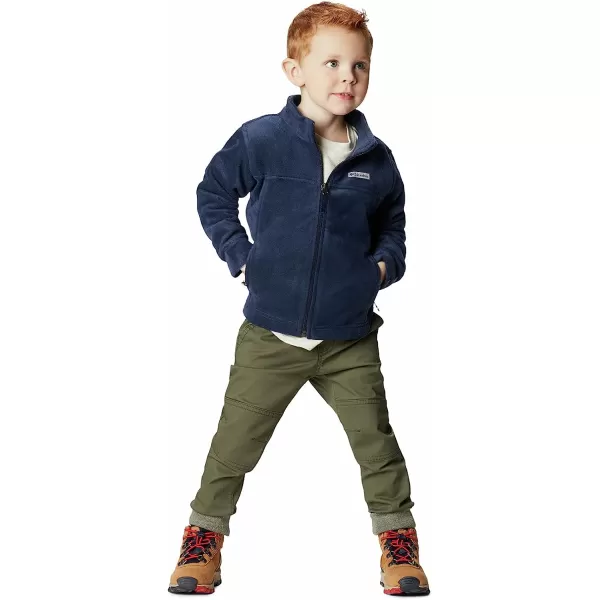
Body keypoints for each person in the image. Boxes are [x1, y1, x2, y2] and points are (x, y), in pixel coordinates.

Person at [168, 2, 430, 595]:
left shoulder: (376, 159)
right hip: (271, 334)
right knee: (232, 445)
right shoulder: (262, 139)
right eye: (331, 63)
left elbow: (393, 228)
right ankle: (201, 543)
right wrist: (241, 256)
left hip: (349, 338)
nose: (347, 77)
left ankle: (399, 548)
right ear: (295, 71)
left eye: (359, 66)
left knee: (378, 447)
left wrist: (381, 269)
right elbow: (213, 193)